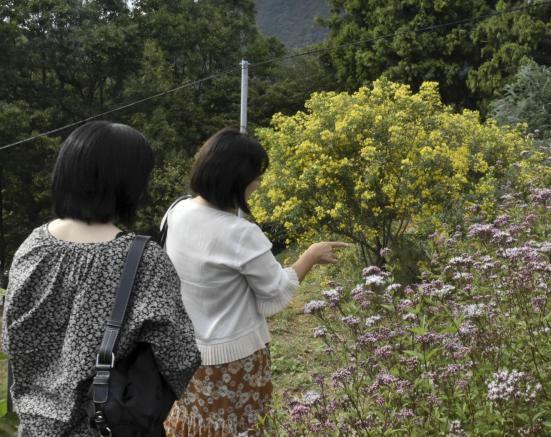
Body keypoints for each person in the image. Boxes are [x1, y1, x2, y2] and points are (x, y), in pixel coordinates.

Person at [1, 121, 201, 436]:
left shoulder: (34, 246)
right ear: (129, 183)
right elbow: (179, 356)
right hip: (108, 426)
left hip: (35, 427)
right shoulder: (144, 260)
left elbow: (11, 337)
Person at [162, 128, 349, 436]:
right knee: (242, 428)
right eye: (256, 176)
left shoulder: (177, 211)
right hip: (234, 362)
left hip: (187, 357)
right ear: (237, 180)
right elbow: (275, 296)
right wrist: (311, 256)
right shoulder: (240, 233)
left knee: (195, 427)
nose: (258, 184)